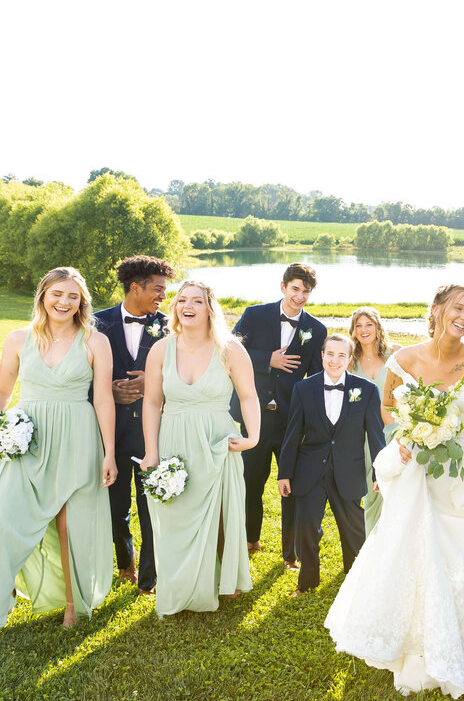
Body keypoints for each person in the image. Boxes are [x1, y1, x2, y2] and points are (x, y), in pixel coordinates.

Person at [325, 285, 464, 699]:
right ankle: (418, 644)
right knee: (415, 550)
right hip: (417, 470)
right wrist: (413, 428)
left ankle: (459, 638)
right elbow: (387, 408)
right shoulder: (403, 358)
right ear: (437, 310)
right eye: (458, 307)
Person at [0, 267, 117, 632]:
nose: (64, 302)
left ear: (81, 301)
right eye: (57, 294)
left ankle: (72, 604)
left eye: (73, 296)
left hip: (77, 436)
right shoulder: (18, 338)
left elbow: (102, 399)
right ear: (42, 295)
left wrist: (110, 451)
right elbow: (3, 390)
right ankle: (1, 593)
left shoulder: (94, 341)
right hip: (26, 438)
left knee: (70, 526)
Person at [140, 281, 259, 617]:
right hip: (174, 437)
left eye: (197, 301)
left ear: (210, 308)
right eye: (182, 300)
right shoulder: (162, 349)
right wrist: (151, 451)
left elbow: (249, 396)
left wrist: (253, 436)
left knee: (222, 513)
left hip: (216, 439)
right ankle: (182, 583)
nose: (187, 306)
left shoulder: (230, 349)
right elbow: (151, 402)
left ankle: (225, 578)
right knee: (177, 512)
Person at [231, 263, 326, 568]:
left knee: (292, 487)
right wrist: (267, 360)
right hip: (254, 415)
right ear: (283, 286)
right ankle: (250, 539)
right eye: (295, 289)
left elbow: (316, 379)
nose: (300, 296)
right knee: (251, 481)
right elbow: (230, 351)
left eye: (306, 291)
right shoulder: (254, 314)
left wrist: (308, 423)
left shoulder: (317, 330)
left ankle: (291, 554)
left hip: (291, 422)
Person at [93, 255, 177, 595]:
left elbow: (185, 376)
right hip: (109, 434)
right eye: (157, 290)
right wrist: (108, 390)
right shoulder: (95, 324)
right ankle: (124, 561)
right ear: (134, 287)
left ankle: (149, 578)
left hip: (152, 432)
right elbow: (79, 375)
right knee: (114, 508)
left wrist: (152, 384)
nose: (162, 297)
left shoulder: (170, 328)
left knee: (152, 505)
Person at [279, 334, 385, 596]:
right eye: (330, 354)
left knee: (353, 530)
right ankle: (306, 583)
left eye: (341, 355)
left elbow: (375, 435)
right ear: (322, 356)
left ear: (350, 359)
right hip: (309, 470)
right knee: (306, 529)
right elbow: (292, 434)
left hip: (348, 471)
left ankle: (356, 581)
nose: (335, 360)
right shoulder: (303, 389)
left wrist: (380, 472)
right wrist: (285, 474)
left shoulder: (367, 390)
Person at [347, 306, 402, 535]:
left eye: (369, 324)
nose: (364, 330)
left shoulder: (395, 354)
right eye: (358, 326)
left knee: (396, 493)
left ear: (378, 327)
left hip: (394, 432)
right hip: (364, 436)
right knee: (372, 493)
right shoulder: (350, 361)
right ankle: (371, 548)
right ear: (353, 331)